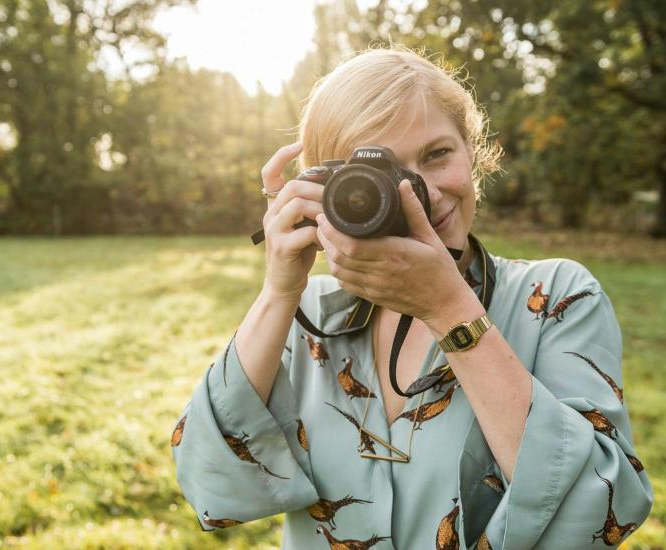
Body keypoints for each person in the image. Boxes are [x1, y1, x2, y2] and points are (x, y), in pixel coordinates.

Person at [170, 46, 653, 549]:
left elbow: (602, 513)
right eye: (383, 174)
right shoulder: (307, 312)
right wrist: (279, 290)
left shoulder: (558, 297)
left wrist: (450, 309)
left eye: (437, 154)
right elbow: (210, 486)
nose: (419, 193)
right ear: (330, 192)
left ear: (472, 152)